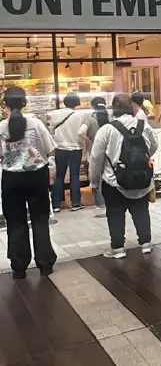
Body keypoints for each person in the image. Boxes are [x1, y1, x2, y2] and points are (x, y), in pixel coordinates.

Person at [89, 93, 157, 259]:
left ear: (113, 110)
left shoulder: (106, 129)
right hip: (142, 178)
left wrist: (94, 181)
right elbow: (154, 146)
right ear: (131, 107)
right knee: (141, 211)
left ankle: (118, 248)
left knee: (115, 214)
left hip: (114, 181)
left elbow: (96, 157)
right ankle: (146, 244)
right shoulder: (144, 126)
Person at [0, 87, 56, 278]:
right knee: (40, 219)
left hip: (11, 179)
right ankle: (45, 263)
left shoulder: (2, 127)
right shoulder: (36, 123)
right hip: (36, 176)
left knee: (15, 222)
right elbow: (48, 149)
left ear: (5, 104)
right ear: (24, 102)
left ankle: (19, 267)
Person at [47, 93, 92, 213]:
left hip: (60, 147)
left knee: (59, 176)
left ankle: (56, 204)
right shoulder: (81, 115)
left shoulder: (55, 113)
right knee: (74, 175)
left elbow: (51, 130)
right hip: (75, 148)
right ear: (77, 102)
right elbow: (82, 131)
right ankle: (76, 203)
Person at [88, 96, 110, 219]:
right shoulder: (110, 117)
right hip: (110, 152)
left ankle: (100, 203)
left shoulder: (91, 119)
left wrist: (90, 141)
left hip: (95, 150)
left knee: (97, 177)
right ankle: (107, 202)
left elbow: (81, 132)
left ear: (93, 106)